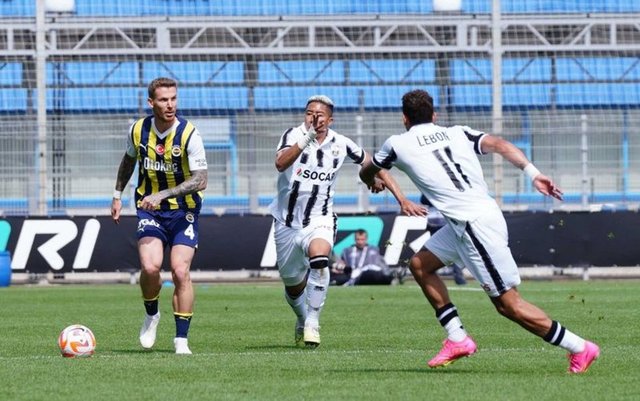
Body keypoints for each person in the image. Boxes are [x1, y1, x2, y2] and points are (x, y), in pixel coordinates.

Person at [359, 89, 599, 373]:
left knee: (508, 304)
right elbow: (500, 144)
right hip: (478, 217)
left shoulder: (397, 144)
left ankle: (579, 347)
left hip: (473, 226)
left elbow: (367, 169)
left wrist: (372, 180)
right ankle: (457, 338)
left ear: (404, 119)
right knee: (420, 265)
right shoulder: (458, 132)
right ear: (434, 115)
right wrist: (534, 174)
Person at [269, 94, 425, 348]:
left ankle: (313, 323)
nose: (313, 118)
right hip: (286, 222)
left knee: (320, 259)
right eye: (309, 113)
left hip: (320, 218)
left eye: (319, 114)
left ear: (330, 120)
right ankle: (302, 317)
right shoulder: (293, 135)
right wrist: (307, 137)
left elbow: (374, 165)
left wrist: (401, 199)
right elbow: (280, 163)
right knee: (293, 285)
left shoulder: (340, 143)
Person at [110, 77, 208, 355]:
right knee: (151, 268)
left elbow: (201, 180)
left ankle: (181, 340)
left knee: (180, 271)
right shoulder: (138, 130)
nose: (170, 105)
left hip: (184, 210)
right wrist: (117, 195)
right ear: (151, 102)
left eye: (173, 99)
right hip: (149, 208)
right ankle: (152, 313)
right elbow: (129, 160)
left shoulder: (189, 134)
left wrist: (163, 195)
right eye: (164, 100)